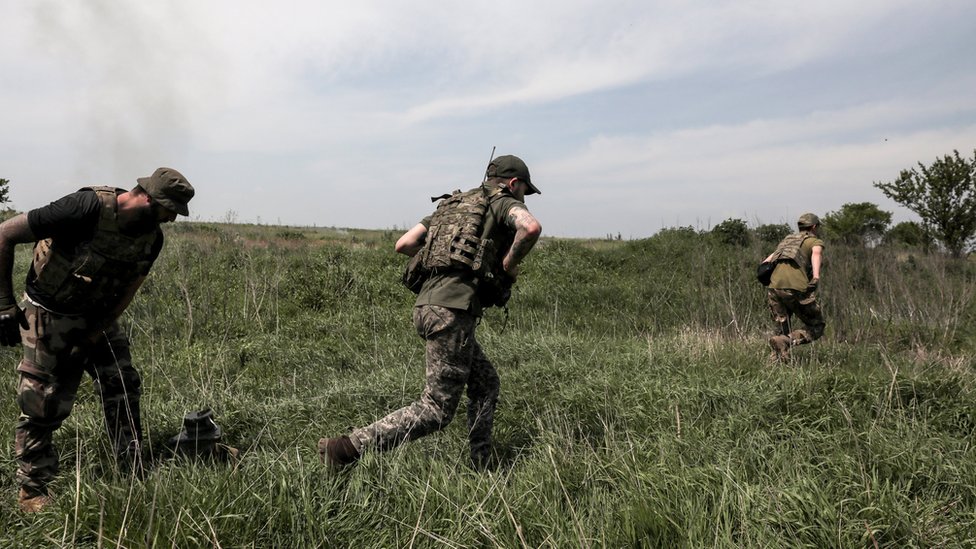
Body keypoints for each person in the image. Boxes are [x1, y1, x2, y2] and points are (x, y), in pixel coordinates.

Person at [318, 154, 543, 470]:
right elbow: (530, 228)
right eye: (524, 191)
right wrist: (508, 264)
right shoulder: (503, 202)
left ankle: (481, 464)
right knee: (436, 408)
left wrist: (446, 257)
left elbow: (404, 244)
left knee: (486, 384)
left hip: (427, 306)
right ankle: (347, 448)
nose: (524, 196)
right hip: (453, 312)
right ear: (513, 183)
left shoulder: (453, 205)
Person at [0, 167, 194, 512]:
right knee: (44, 401)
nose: (171, 220)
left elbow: (128, 292)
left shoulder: (152, 238)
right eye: (169, 211)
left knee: (122, 384)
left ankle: (131, 467)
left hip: (99, 318)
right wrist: (3, 304)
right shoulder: (84, 207)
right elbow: (4, 234)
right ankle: (31, 489)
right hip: (49, 314)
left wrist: (93, 334)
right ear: (149, 198)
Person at [761, 213, 825, 360]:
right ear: (814, 226)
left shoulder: (787, 241)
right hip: (795, 287)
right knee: (817, 327)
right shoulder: (814, 241)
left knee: (781, 327)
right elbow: (816, 253)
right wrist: (815, 276)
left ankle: (776, 360)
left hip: (774, 286)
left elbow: (766, 262)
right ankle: (787, 341)